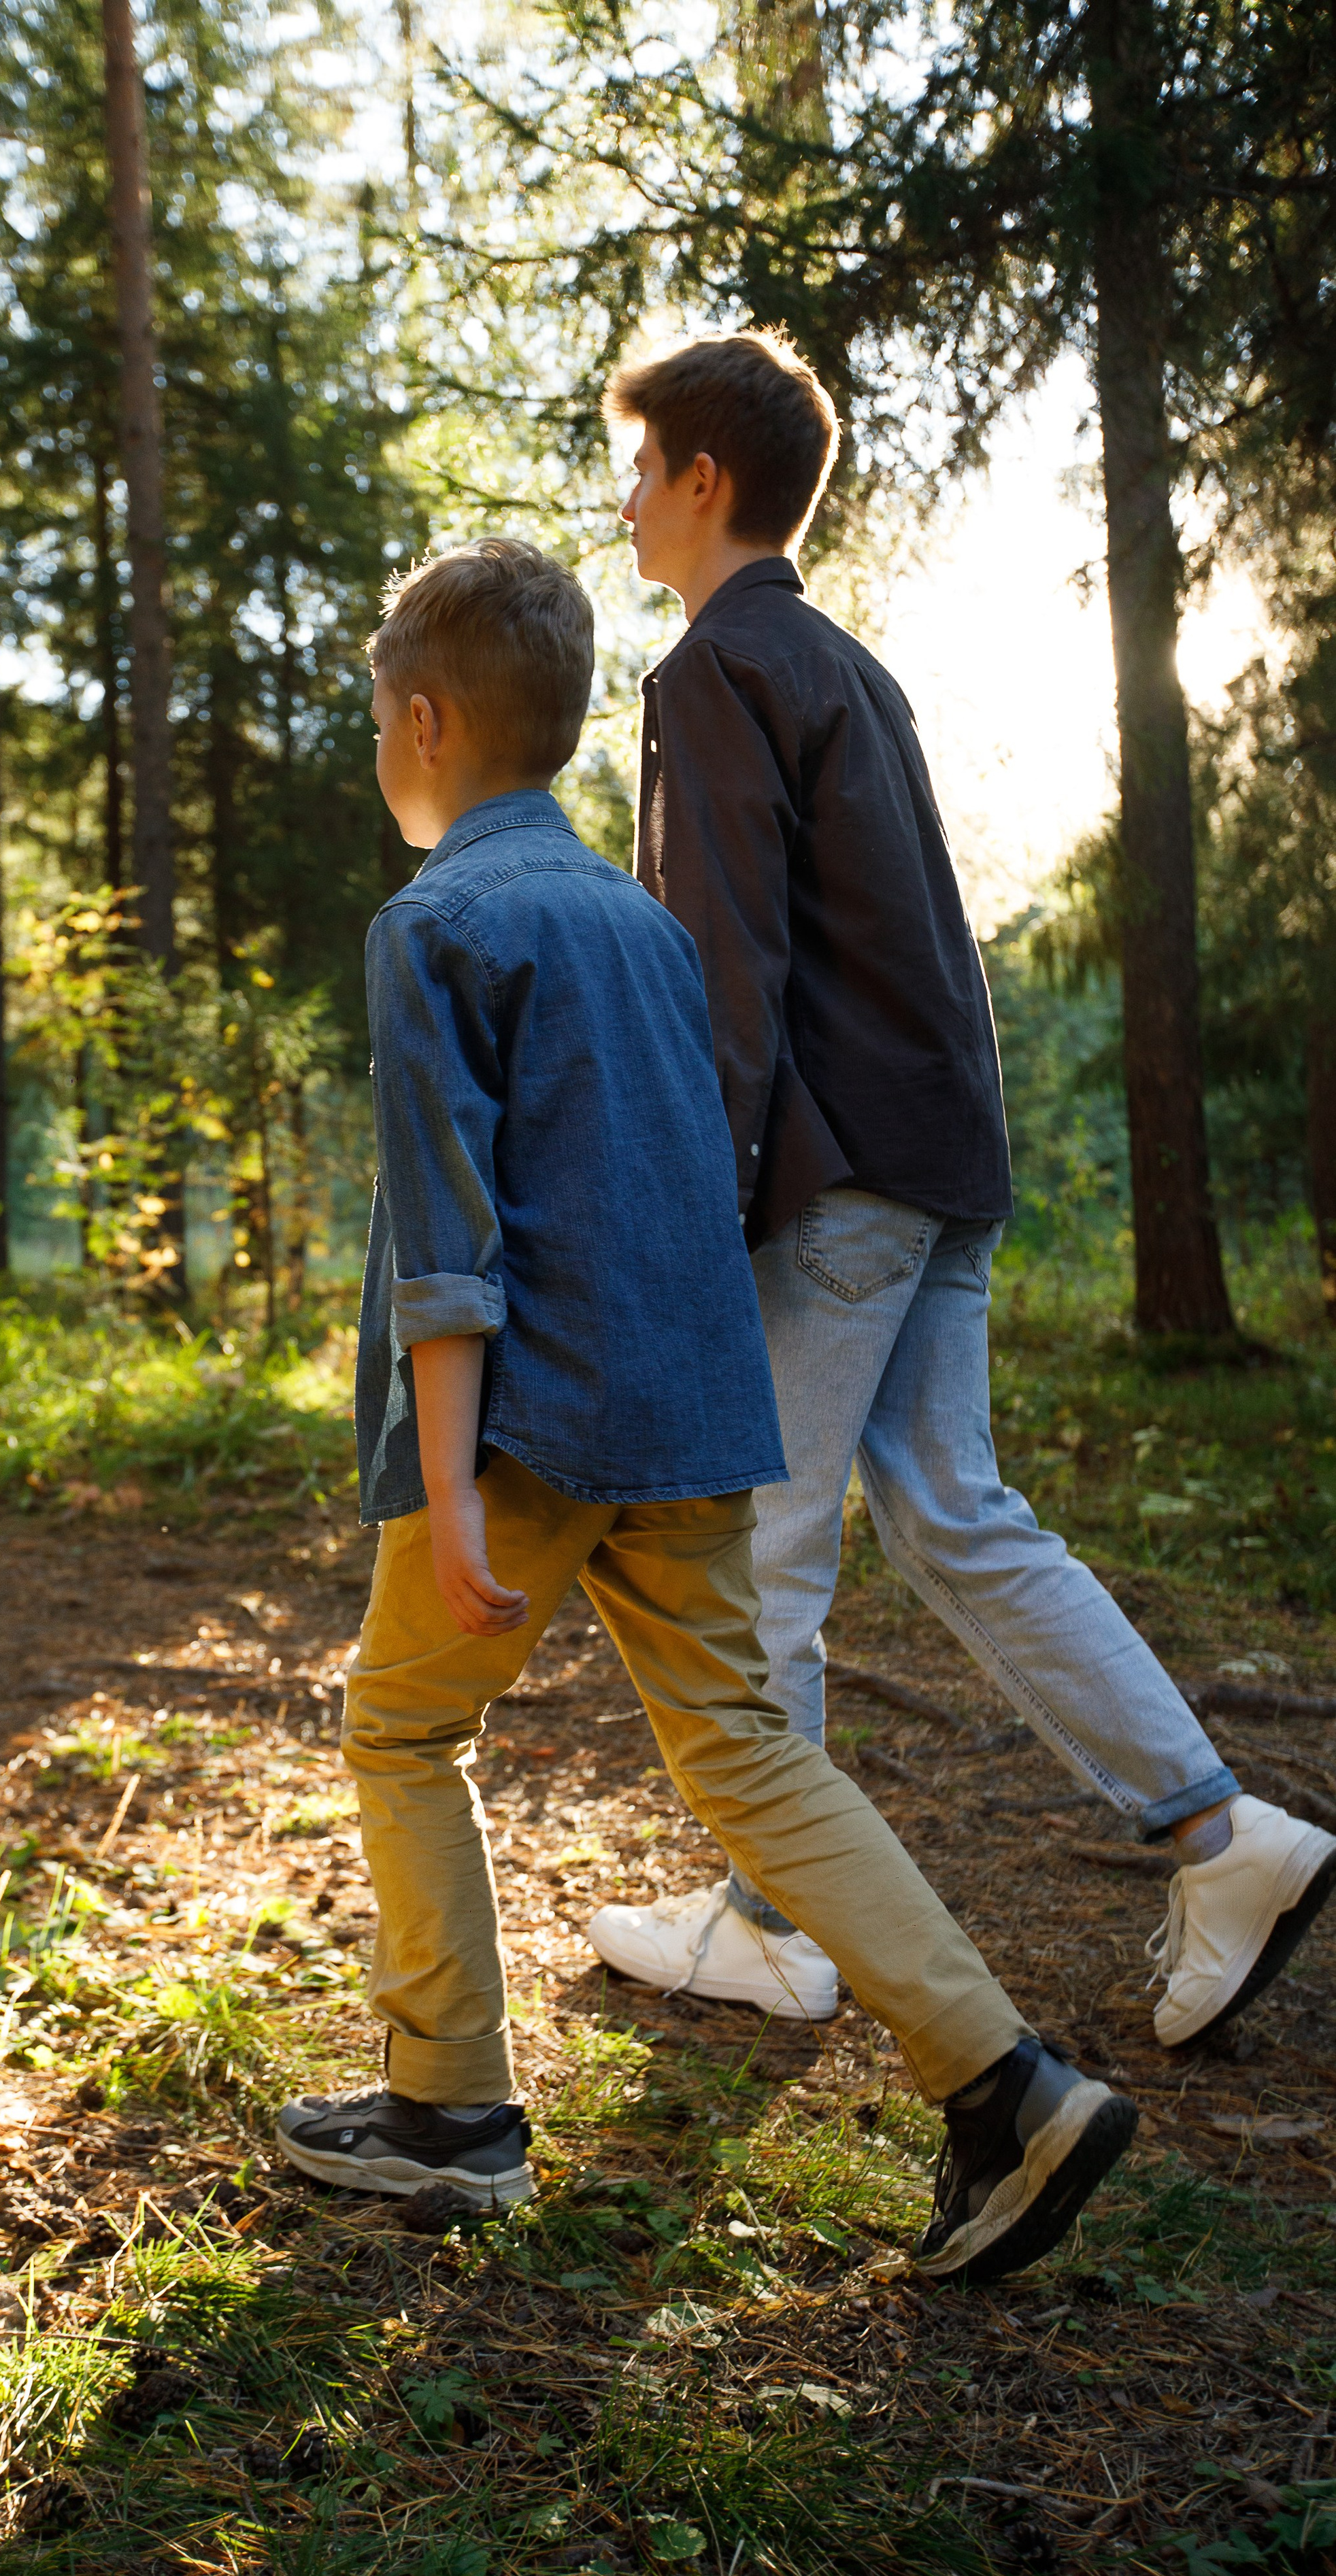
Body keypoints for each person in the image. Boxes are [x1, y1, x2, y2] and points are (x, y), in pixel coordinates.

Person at [275, 535, 1137, 2288]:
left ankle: (449, 2112)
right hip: (689, 1415)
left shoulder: (433, 923)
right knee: (746, 1749)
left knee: (399, 1730)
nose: (380, 748)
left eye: (377, 720)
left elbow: (449, 1247)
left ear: (422, 722)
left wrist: (444, 1489)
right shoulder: (643, 930)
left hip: (523, 1430)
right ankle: (1003, 2079)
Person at [585, 330, 1336, 2051]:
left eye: (638, 468)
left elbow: (726, 969)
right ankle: (1225, 1838)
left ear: (704, 481)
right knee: (951, 1512)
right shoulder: (851, 668)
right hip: (937, 1159)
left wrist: (691, 1213)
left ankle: (770, 1923)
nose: (623, 501)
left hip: (833, 1181)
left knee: (755, 1551)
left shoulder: (710, 675)